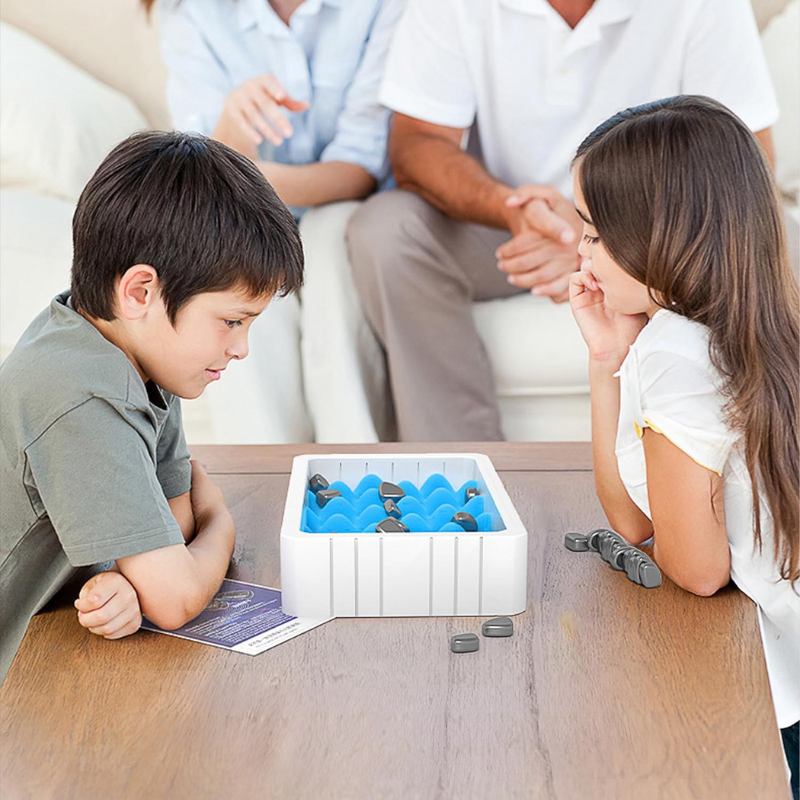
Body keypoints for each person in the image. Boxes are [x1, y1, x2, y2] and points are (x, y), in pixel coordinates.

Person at [347, 0, 780, 441]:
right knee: (386, 231)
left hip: (649, 229)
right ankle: (462, 476)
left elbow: (747, 164)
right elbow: (417, 144)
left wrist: (604, 235)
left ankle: (755, 458)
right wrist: (516, 211)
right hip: (506, 224)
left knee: (778, 243)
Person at [0, 131, 304, 684]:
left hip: (46, 642)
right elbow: (177, 595)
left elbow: (175, 526)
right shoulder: (81, 393)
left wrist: (133, 574)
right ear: (141, 292)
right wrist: (223, 524)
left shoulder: (143, 359)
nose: (241, 348)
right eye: (232, 321)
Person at [568, 95, 799, 798]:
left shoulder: (675, 353)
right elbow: (636, 523)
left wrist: (636, 365)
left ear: (660, 235)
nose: (580, 253)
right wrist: (609, 361)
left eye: (592, 234)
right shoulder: (755, 327)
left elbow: (695, 570)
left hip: (771, 701)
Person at [152, 0, 404, 442]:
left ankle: (354, 471)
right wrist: (229, 136)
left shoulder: (383, 8)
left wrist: (237, 168)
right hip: (239, 207)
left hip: (343, 206)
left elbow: (360, 169)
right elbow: (201, 179)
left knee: (330, 248)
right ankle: (262, 478)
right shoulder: (186, 12)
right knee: (231, 268)